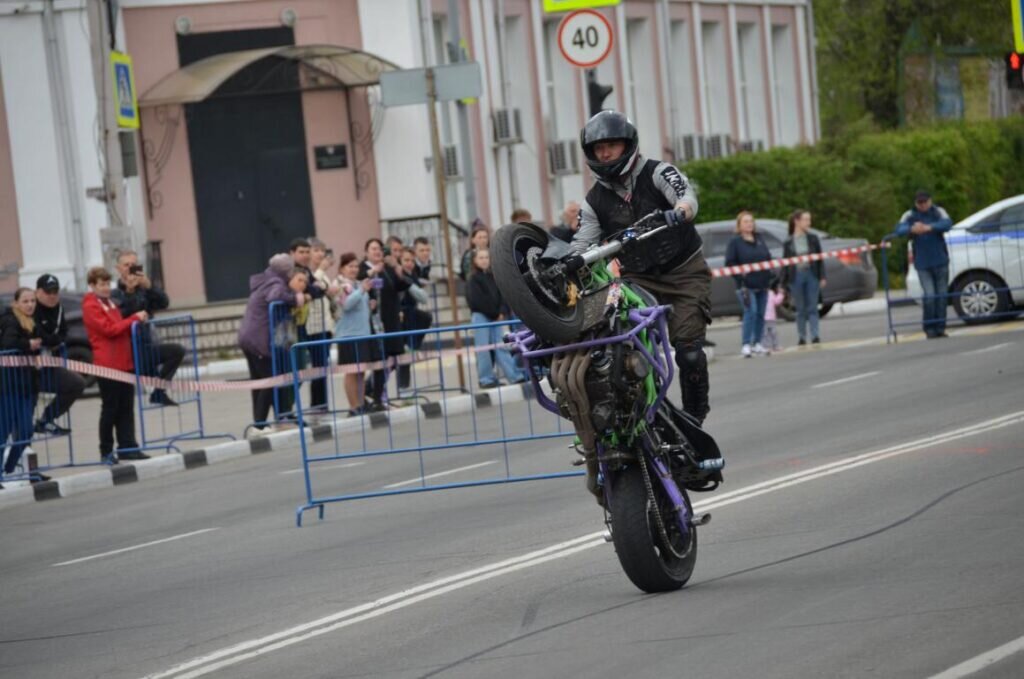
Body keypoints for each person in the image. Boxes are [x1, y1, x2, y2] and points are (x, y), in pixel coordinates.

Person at [568, 110, 711, 423]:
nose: (604, 152)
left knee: (688, 353)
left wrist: (681, 211)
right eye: (598, 148)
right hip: (636, 281)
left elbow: (686, 195)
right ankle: (639, 415)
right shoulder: (594, 201)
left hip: (684, 274)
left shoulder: (658, 172)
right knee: (621, 351)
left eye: (611, 145)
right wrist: (567, 261)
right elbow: (583, 242)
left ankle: (694, 417)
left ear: (627, 144)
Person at [83, 267, 149, 462]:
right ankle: (106, 451)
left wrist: (133, 324)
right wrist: (134, 319)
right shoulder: (91, 306)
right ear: (92, 285)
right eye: (101, 284)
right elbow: (109, 330)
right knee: (110, 408)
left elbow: (120, 329)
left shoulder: (110, 303)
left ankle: (128, 446)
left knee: (126, 407)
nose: (106, 288)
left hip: (123, 362)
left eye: (107, 284)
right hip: (108, 365)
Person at [238, 254, 305, 433]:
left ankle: (265, 420)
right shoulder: (275, 283)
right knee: (268, 380)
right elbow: (275, 296)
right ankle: (259, 423)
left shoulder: (265, 280)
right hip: (258, 339)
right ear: (286, 271)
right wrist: (295, 298)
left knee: (259, 381)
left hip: (247, 336)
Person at [113, 250, 184, 407]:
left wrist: (150, 286)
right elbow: (121, 316)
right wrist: (130, 292)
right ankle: (156, 388)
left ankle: (158, 393)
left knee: (177, 350)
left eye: (134, 265)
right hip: (127, 353)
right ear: (118, 268)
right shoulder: (114, 294)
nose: (130, 268)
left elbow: (164, 303)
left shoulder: (143, 291)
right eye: (126, 265)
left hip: (146, 347)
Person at [0, 288, 50, 482]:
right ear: (16, 303)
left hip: (27, 385)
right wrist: (29, 344)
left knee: (26, 430)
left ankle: (10, 466)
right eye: (25, 301)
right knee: (3, 431)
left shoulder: (33, 321)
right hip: (9, 385)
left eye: (32, 301)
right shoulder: (11, 320)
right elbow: (8, 344)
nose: (30, 305)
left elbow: (47, 338)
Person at [359, 238, 411, 409]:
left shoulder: (387, 269)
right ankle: (376, 397)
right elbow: (358, 281)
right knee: (379, 359)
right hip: (373, 322)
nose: (377, 252)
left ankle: (374, 390)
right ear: (366, 251)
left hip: (391, 319)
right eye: (373, 248)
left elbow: (402, 285)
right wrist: (373, 271)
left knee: (393, 358)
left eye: (379, 249)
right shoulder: (363, 268)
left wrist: (396, 267)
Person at [895, 190, 953, 338]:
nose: (923, 205)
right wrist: (912, 229)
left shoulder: (938, 211)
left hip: (941, 260)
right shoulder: (910, 215)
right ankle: (929, 328)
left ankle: (940, 327)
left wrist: (929, 227)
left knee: (942, 296)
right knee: (929, 296)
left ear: (930, 201)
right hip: (922, 263)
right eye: (920, 202)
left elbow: (947, 223)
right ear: (916, 203)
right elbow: (899, 229)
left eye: (925, 202)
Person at [32, 274, 85, 435]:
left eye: (55, 291)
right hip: (27, 368)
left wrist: (50, 340)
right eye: (48, 292)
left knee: (76, 383)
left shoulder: (59, 308)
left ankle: (46, 420)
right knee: (22, 420)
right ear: (38, 292)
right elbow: (36, 334)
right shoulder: (31, 308)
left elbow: (63, 335)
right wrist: (49, 340)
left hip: (49, 364)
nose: (52, 295)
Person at [466, 249, 526, 388]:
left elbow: (502, 295)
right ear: (475, 261)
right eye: (481, 257)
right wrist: (494, 313)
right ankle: (486, 379)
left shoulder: (494, 276)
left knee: (501, 347)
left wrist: (501, 311)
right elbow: (476, 301)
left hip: (497, 317)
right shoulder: (472, 279)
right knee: (483, 349)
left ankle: (514, 376)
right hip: (481, 317)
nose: (484, 260)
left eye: (486, 257)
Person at [725, 211, 773, 358]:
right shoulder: (735, 242)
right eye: (746, 221)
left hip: (762, 282)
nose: (749, 224)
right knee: (750, 312)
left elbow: (767, 257)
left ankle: (757, 343)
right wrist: (740, 277)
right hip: (746, 285)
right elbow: (730, 263)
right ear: (739, 225)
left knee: (760, 314)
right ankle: (746, 345)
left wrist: (770, 276)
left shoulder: (759, 239)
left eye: (751, 221)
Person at [334, 253, 376, 416]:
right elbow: (347, 305)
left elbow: (359, 306)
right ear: (342, 268)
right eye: (349, 266)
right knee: (351, 371)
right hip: (348, 335)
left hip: (363, 333)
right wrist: (361, 292)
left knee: (361, 370)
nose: (354, 269)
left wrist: (370, 305)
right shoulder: (339, 284)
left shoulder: (359, 284)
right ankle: (353, 407)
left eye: (356, 266)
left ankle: (361, 404)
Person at [782, 209, 827, 345]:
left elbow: (820, 259)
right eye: (806, 219)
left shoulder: (813, 239)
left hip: (811, 274)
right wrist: (783, 283)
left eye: (809, 219)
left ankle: (815, 335)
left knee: (813, 307)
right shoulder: (788, 242)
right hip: (796, 276)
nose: (809, 222)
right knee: (800, 308)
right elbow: (785, 263)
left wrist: (822, 276)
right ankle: (802, 336)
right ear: (797, 221)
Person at [306, 239, 339, 410]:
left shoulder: (323, 273)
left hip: (326, 325)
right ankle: (317, 404)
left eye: (322, 251)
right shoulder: (310, 271)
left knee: (323, 366)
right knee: (317, 366)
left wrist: (333, 292)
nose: (320, 254)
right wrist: (321, 270)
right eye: (316, 250)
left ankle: (322, 403)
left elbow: (327, 292)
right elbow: (310, 286)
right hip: (313, 325)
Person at [397, 250, 433, 393]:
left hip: (411, 315)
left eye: (412, 260)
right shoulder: (399, 276)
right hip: (401, 316)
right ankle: (373, 387)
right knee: (394, 359)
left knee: (406, 357)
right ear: (400, 262)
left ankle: (405, 388)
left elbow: (422, 296)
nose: (409, 263)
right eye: (406, 260)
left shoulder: (412, 275)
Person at [762, 281, 785, 353]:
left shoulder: (770, 293)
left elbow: (776, 302)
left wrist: (780, 294)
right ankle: (766, 346)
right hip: (765, 318)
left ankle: (775, 345)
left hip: (771, 317)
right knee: (765, 333)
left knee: (773, 332)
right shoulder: (762, 295)